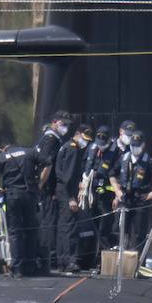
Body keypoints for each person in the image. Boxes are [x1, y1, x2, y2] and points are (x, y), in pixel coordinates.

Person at [0, 141, 41, 276]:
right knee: (31, 230)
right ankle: (31, 265)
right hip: (30, 194)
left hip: (12, 195)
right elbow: (47, 162)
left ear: (0, 148)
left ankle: (17, 268)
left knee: (15, 233)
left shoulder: (2, 157)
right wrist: (40, 183)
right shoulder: (29, 151)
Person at [111, 130, 152, 253]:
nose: (135, 148)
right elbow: (112, 174)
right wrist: (117, 191)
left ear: (143, 145)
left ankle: (138, 262)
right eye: (133, 145)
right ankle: (119, 256)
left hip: (140, 200)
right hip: (125, 198)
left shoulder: (148, 161)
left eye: (137, 146)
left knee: (139, 232)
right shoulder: (124, 158)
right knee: (120, 229)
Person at [32, 110, 72, 269]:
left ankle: (47, 257)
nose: (66, 127)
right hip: (47, 189)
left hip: (48, 188)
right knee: (47, 223)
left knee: (48, 222)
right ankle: (45, 259)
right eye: (63, 124)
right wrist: (41, 186)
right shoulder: (50, 140)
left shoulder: (52, 139)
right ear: (54, 122)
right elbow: (46, 165)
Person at [54, 124, 93, 271]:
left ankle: (62, 260)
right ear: (77, 134)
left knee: (63, 227)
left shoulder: (65, 146)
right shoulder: (73, 149)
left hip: (61, 191)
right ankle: (70, 261)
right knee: (70, 228)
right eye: (84, 139)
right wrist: (71, 197)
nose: (86, 143)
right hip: (67, 193)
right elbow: (68, 176)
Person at [81, 125, 120, 254]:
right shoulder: (91, 148)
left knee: (105, 225)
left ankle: (102, 256)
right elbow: (83, 166)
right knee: (90, 223)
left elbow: (118, 175)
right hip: (91, 192)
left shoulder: (117, 153)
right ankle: (89, 253)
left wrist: (116, 195)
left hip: (106, 192)